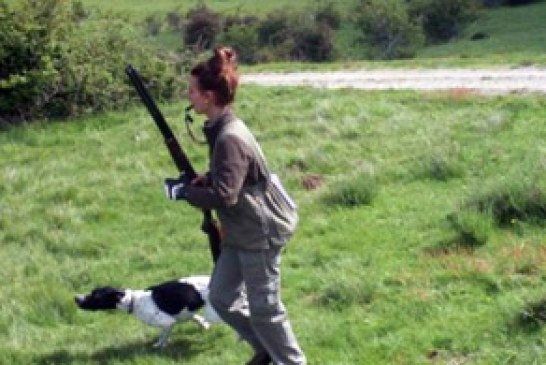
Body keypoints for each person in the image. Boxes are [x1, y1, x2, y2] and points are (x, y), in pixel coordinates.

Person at [169, 46, 306, 365]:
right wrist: (204, 179)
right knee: (221, 297)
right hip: (241, 229)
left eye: (192, 91)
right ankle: (268, 352)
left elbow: (226, 195)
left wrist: (185, 193)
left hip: (259, 230)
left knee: (266, 309)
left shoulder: (229, 136)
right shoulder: (222, 128)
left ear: (208, 97)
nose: (188, 96)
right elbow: (230, 178)